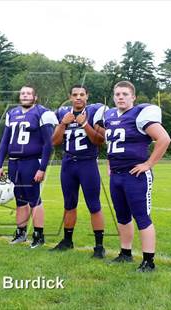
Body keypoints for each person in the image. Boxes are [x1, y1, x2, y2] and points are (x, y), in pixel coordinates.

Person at [104, 80, 171, 272]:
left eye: (125, 94)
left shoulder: (140, 114)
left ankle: (149, 261)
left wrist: (148, 164)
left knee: (142, 217)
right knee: (122, 216)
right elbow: (111, 144)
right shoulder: (109, 116)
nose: (121, 97)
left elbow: (164, 139)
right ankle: (125, 253)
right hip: (116, 175)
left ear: (133, 97)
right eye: (117, 94)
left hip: (136, 175)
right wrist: (110, 163)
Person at [51, 85, 107, 258]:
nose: (78, 97)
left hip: (87, 163)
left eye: (82, 94)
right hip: (68, 164)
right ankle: (67, 241)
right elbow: (54, 141)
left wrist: (84, 123)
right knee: (69, 204)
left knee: (94, 205)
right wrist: (63, 123)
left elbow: (100, 140)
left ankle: (99, 247)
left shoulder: (94, 111)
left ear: (87, 96)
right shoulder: (63, 113)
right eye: (75, 95)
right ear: (70, 97)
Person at [0, 85, 55, 248]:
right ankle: (21, 232)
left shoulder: (42, 113)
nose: (25, 95)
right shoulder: (12, 113)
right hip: (14, 162)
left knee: (34, 199)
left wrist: (42, 167)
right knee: (19, 200)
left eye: (29, 93)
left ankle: (39, 235)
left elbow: (48, 144)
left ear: (35, 97)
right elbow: (5, 141)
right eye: (22, 93)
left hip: (31, 161)